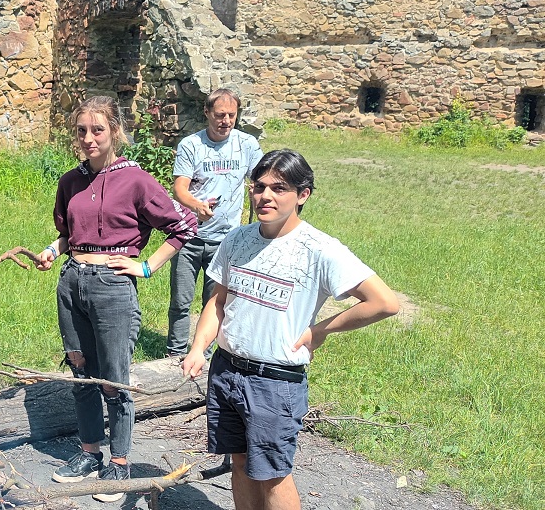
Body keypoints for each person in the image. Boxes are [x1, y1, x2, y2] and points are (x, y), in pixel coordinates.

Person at [180, 149, 400, 510]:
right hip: (226, 369)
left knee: (271, 474)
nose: (265, 196)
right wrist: (197, 348)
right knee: (238, 463)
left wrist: (321, 331)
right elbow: (218, 302)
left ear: (302, 194)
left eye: (279, 188)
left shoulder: (320, 249)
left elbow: (384, 302)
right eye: (259, 186)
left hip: (274, 381)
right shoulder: (237, 239)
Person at [35, 96, 197, 503]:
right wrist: (53, 251)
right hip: (71, 283)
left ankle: (120, 463)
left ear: (114, 132)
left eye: (97, 130)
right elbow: (69, 233)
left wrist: (147, 267)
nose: (89, 138)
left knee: (114, 378)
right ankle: (90, 453)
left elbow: (183, 225)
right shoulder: (70, 181)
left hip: (112, 286)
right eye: (82, 131)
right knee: (81, 370)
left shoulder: (137, 180)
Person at [166, 89, 262, 358]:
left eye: (232, 115)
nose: (226, 120)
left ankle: (204, 354)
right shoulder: (191, 145)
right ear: (206, 113)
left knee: (215, 302)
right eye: (220, 115)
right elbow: (180, 188)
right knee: (181, 301)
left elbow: (260, 181)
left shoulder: (247, 145)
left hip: (226, 240)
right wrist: (196, 206)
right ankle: (174, 354)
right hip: (189, 237)